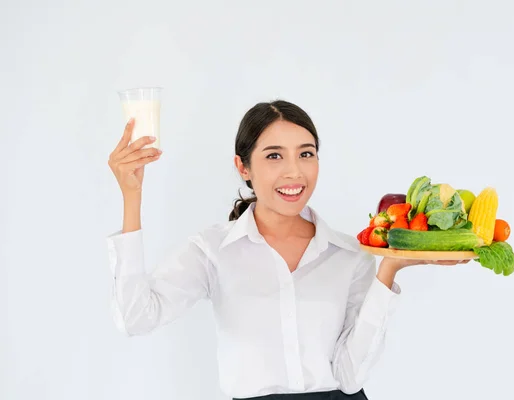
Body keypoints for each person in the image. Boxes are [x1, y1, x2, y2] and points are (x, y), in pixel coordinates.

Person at [106, 100, 467, 400]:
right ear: (243, 167)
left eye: (305, 154)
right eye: (274, 156)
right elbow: (137, 318)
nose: (294, 172)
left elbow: (350, 375)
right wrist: (131, 197)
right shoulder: (213, 250)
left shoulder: (350, 254)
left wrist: (388, 271)